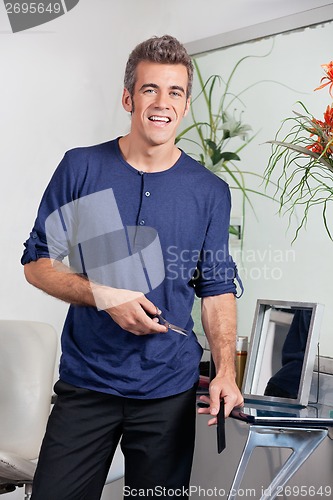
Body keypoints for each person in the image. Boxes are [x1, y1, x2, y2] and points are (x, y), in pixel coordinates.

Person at [22, 35, 243, 500]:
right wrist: (103, 295)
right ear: (128, 98)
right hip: (87, 383)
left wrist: (225, 372)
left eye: (175, 92)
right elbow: (37, 264)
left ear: (185, 106)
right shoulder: (81, 168)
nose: (162, 103)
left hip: (168, 392)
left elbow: (217, 288)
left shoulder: (210, 192)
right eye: (150, 90)